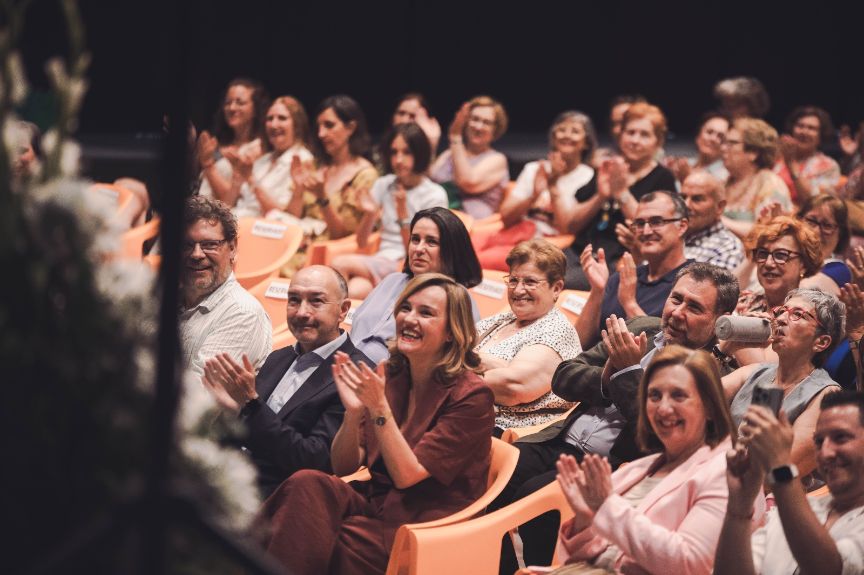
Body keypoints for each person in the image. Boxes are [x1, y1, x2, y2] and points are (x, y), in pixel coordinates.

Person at [493, 263, 740, 572]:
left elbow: (654, 438)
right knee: (493, 481)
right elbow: (564, 376)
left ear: (720, 320)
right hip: (559, 438)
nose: (677, 313)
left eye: (695, 307)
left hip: (611, 464)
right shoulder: (642, 328)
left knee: (535, 502)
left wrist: (628, 373)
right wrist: (609, 377)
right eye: (676, 299)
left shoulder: (714, 373)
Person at [257, 273, 495, 575]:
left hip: (426, 522)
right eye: (405, 308)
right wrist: (353, 413)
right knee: (306, 482)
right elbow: (343, 465)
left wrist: (379, 407)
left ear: (451, 331)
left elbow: (407, 476)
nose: (409, 319)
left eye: (426, 313)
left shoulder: (472, 395)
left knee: (320, 535)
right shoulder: (392, 372)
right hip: (377, 502)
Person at [524, 345, 761, 575]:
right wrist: (585, 520)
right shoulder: (642, 467)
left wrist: (606, 508)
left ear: (710, 407)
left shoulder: (726, 471)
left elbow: (688, 563)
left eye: (679, 396)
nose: (663, 408)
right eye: (654, 396)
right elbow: (584, 557)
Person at [200, 266, 373, 497]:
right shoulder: (279, 357)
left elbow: (314, 460)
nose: (302, 312)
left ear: (343, 310)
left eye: (316, 301)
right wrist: (231, 412)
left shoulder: (355, 373)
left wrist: (250, 405)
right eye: (294, 300)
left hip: (279, 495)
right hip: (227, 475)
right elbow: (252, 427)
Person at [715, 390, 864, 575]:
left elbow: (827, 569)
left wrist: (780, 464)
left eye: (841, 437)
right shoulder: (794, 511)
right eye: (819, 441)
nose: (825, 453)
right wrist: (740, 505)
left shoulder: (792, 507)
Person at [723, 288, 844, 480]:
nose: (779, 319)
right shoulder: (755, 372)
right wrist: (723, 350)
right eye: (781, 311)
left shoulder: (826, 395)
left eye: (797, 314)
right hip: (717, 474)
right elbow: (694, 402)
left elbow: (782, 473)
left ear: (821, 342)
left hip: (768, 496)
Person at [563, 102, 677, 289]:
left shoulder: (663, 178)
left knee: (556, 283)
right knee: (533, 269)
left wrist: (622, 193)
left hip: (619, 261)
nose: (635, 140)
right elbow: (572, 225)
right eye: (630, 132)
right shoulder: (609, 167)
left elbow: (656, 231)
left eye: (644, 135)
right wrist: (601, 195)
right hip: (579, 252)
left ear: (658, 141)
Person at [348, 206, 482, 364]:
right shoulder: (392, 280)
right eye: (415, 239)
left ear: (451, 251)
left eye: (431, 242)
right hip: (343, 365)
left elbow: (452, 362)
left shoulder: (458, 298)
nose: (418, 249)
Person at [475, 239, 582, 433]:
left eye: (530, 282)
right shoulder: (503, 319)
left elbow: (512, 386)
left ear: (556, 288)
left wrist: (458, 365)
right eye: (513, 280)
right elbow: (448, 347)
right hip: (468, 414)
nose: (518, 290)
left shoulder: (556, 329)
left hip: (505, 432)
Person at [331, 123, 448, 298]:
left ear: (420, 153)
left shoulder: (434, 194)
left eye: (406, 152)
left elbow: (417, 253)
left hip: (408, 265)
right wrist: (370, 214)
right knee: (355, 291)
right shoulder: (384, 184)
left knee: (339, 263)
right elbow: (362, 242)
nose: (398, 160)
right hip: (382, 260)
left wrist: (403, 216)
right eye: (394, 152)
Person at [473, 111, 597, 271]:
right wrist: (534, 195)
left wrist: (553, 187)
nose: (566, 135)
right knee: (463, 249)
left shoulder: (589, 177)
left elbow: (566, 228)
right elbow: (506, 217)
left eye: (575, 131)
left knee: (477, 262)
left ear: (586, 142)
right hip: (517, 233)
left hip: (550, 245)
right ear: (553, 137)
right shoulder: (534, 169)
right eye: (562, 130)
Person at [577, 190, 691, 348]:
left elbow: (665, 349)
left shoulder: (692, 282)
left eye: (656, 222)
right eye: (639, 224)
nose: (646, 231)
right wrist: (597, 290)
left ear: (682, 226)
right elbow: (578, 344)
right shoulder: (623, 277)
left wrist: (629, 303)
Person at [179, 196, 271, 377]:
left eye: (209, 245)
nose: (196, 254)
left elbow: (199, 394)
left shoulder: (243, 313)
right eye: (186, 245)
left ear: (233, 248)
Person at [290, 95, 378, 242]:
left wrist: (322, 198)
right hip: (298, 245)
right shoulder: (314, 166)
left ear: (351, 127)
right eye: (319, 127)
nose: (321, 134)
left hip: (329, 254)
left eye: (329, 125)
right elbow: (292, 219)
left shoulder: (364, 175)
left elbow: (342, 236)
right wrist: (298, 189)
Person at [227, 95, 315, 219]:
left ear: (297, 125)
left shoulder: (303, 160)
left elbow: (286, 216)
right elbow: (230, 204)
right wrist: (237, 177)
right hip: (238, 220)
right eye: (270, 118)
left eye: (282, 118)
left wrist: (251, 179)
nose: (274, 125)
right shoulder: (263, 160)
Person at [430, 95, 509, 219]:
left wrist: (455, 135)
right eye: (475, 119)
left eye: (486, 122)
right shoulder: (450, 153)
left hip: (474, 228)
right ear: (465, 121)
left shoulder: (497, 159)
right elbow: (427, 181)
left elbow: (466, 182)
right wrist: (431, 143)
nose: (478, 127)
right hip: (437, 221)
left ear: (495, 129)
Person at [197, 78, 268, 200]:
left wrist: (208, 166)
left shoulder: (259, 148)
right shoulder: (218, 143)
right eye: (228, 103)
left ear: (255, 108)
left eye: (240, 103)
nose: (232, 108)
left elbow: (230, 200)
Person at [721, 118, 792, 239]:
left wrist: (719, 221)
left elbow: (768, 232)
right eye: (724, 142)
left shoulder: (770, 184)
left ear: (753, 152)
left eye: (732, 143)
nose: (723, 148)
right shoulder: (725, 181)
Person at [775, 106, 842, 202]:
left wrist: (792, 166)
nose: (804, 132)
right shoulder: (777, 157)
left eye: (811, 128)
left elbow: (814, 202)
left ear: (821, 135)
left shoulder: (829, 166)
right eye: (800, 126)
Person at [680, 172, 744, 270]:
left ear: (719, 207)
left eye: (697, 199)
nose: (686, 205)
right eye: (683, 197)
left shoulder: (728, 249)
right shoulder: (671, 234)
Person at [797, 194, 852, 296]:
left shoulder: (838, 271)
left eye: (827, 226)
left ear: (840, 234)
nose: (816, 231)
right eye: (811, 221)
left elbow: (804, 292)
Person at [666, 111, 731, 185]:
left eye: (720, 136)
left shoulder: (724, 175)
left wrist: (686, 177)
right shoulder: (686, 163)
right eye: (709, 132)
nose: (713, 138)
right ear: (698, 136)